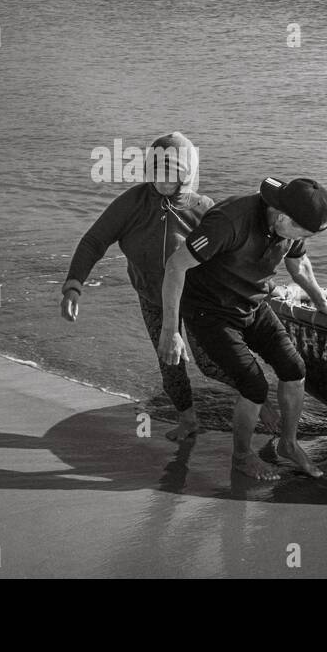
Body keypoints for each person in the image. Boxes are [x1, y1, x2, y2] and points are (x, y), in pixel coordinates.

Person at [62, 132, 265, 440]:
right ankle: (187, 419)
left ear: (186, 174)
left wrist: (256, 291)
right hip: (153, 297)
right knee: (169, 360)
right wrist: (74, 285)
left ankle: (259, 398)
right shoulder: (133, 203)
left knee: (210, 363)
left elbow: (233, 257)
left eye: (170, 172)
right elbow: (95, 240)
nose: (160, 178)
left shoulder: (204, 209)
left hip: (198, 300)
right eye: (155, 170)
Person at [158, 177, 327, 480]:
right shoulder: (229, 221)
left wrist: (321, 302)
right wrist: (170, 331)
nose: (303, 240)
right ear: (283, 217)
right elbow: (176, 266)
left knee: (294, 368)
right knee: (254, 386)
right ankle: (242, 458)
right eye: (304, 233)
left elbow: (300, 265)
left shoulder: (292, 222)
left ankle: (288, 444)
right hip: (210, 310)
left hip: (251, 302)